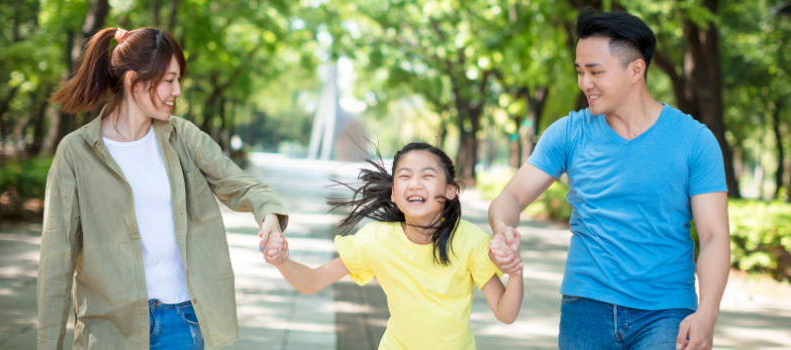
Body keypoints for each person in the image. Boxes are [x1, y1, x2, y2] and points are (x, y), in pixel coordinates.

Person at [487, 10, 730, 350]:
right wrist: (502, 230)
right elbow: (510, 198)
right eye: (580, 71)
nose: (584, 83)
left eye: (595, 72)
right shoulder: (569, 133)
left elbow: (714, 235)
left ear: (635, 70)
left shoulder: (694, 140)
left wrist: (708, 313)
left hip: (666, 312)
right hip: (585, 308)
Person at [38, 27, 288, 349]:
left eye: (178, 79)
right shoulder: (76, 152)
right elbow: (56, 262)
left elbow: (240, 184)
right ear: (133, 82)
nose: (178, 90)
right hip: (109, 331)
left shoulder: (182, 137)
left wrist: (269, 216)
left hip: (182, 326)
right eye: (169, 80)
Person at [261, 142, 524, 349]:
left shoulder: (471, 241)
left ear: (451, 191)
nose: (415, 183)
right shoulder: (375, 239)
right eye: (405, 176)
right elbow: (314, 280)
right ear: (394, 194)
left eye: (428, 176)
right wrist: (281, 261)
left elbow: (505, 313)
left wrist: (515, 272)